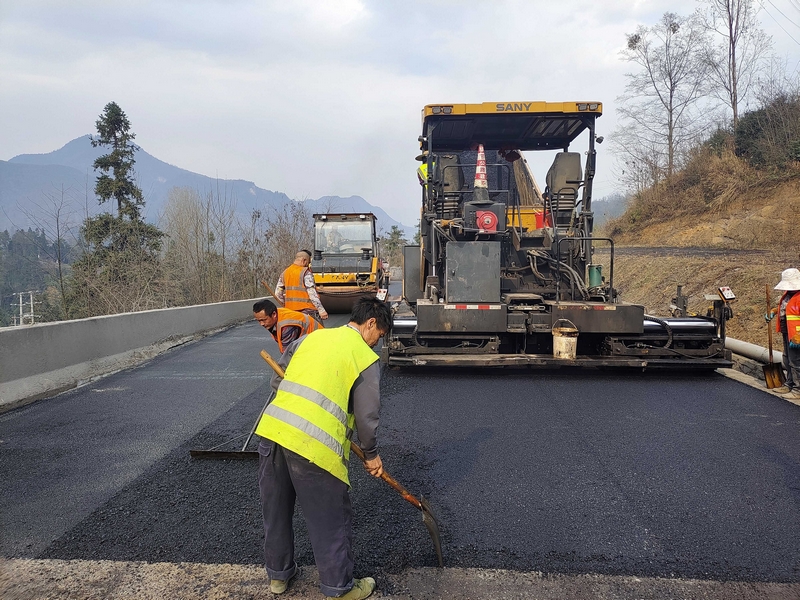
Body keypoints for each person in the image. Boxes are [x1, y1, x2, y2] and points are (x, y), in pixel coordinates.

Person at [255, 297, 392, 599]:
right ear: (371, 323)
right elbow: (367, 415)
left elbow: (279, 381)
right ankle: (339, 589)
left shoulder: (313, 336)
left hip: (273, 432)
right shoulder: (363, 357)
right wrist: (371, 455)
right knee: (329, 520)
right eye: (379, 335)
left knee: (275, 512)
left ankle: (279, 577)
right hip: (313, 447)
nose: (376, 343)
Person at [766, 267, 800, 399]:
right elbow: (787, 308)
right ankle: (789, 383)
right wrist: (774, 311)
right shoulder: (789, 294)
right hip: (787, 332)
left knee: (796, 361)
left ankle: (797, 389)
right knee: (787, 359)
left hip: (796, 336)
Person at [275, 249, 329, 321]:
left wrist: (285, 305)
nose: (308, 265)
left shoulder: (285, 273)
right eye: (308, 262)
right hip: (308, 312)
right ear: (304, 260)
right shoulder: (305, 272)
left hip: (292, 313)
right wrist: (321, 310)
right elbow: (312, 293)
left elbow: (277, 293)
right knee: (318, 331)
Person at [253, 298, 322, 353]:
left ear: (274, 314)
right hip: (310, 344)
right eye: (259, 320)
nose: (261, 324)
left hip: (319, 345)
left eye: (264, 320)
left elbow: (288, 355)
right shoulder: (276, 315)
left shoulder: (287, 326)